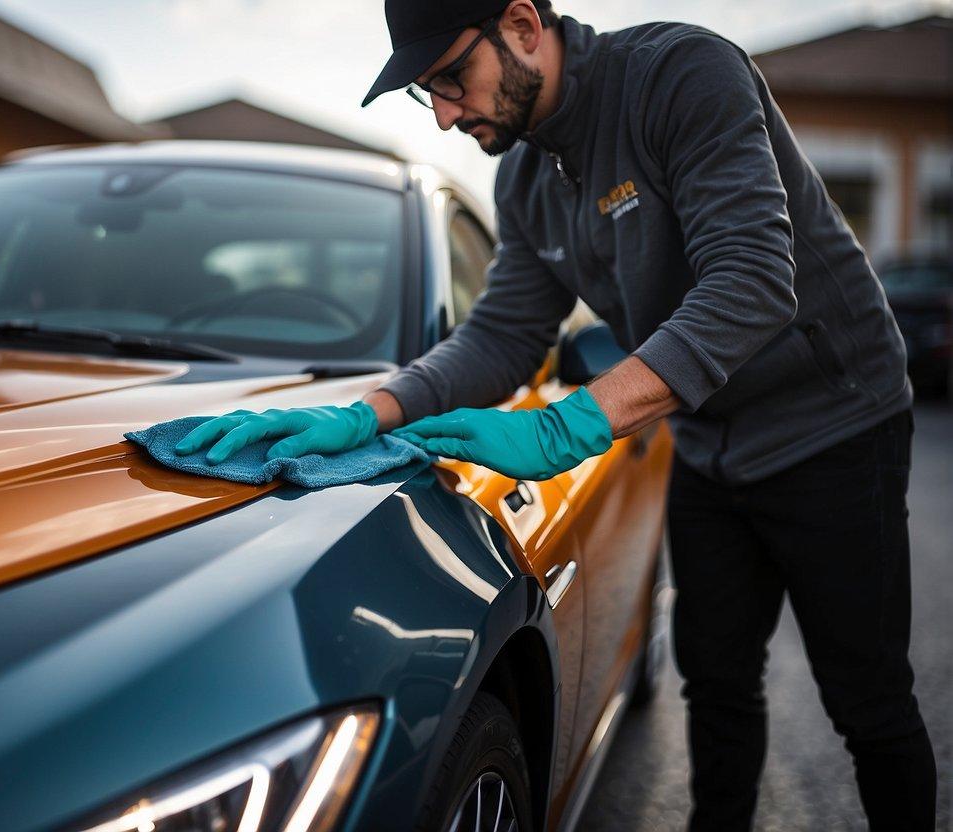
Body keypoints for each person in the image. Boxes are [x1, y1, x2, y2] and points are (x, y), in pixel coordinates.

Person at [171, 1, 936, 828]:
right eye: (424, 93)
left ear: (523, 24)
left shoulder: (680, 78)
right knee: (714, 684)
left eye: (453, 78)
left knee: (867, 703)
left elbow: (751, 279)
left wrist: (567, 425)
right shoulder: (527, 178)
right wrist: (367, 415)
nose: (444, 113)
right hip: (710, 442)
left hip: (833, 422)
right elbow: (501, 335)